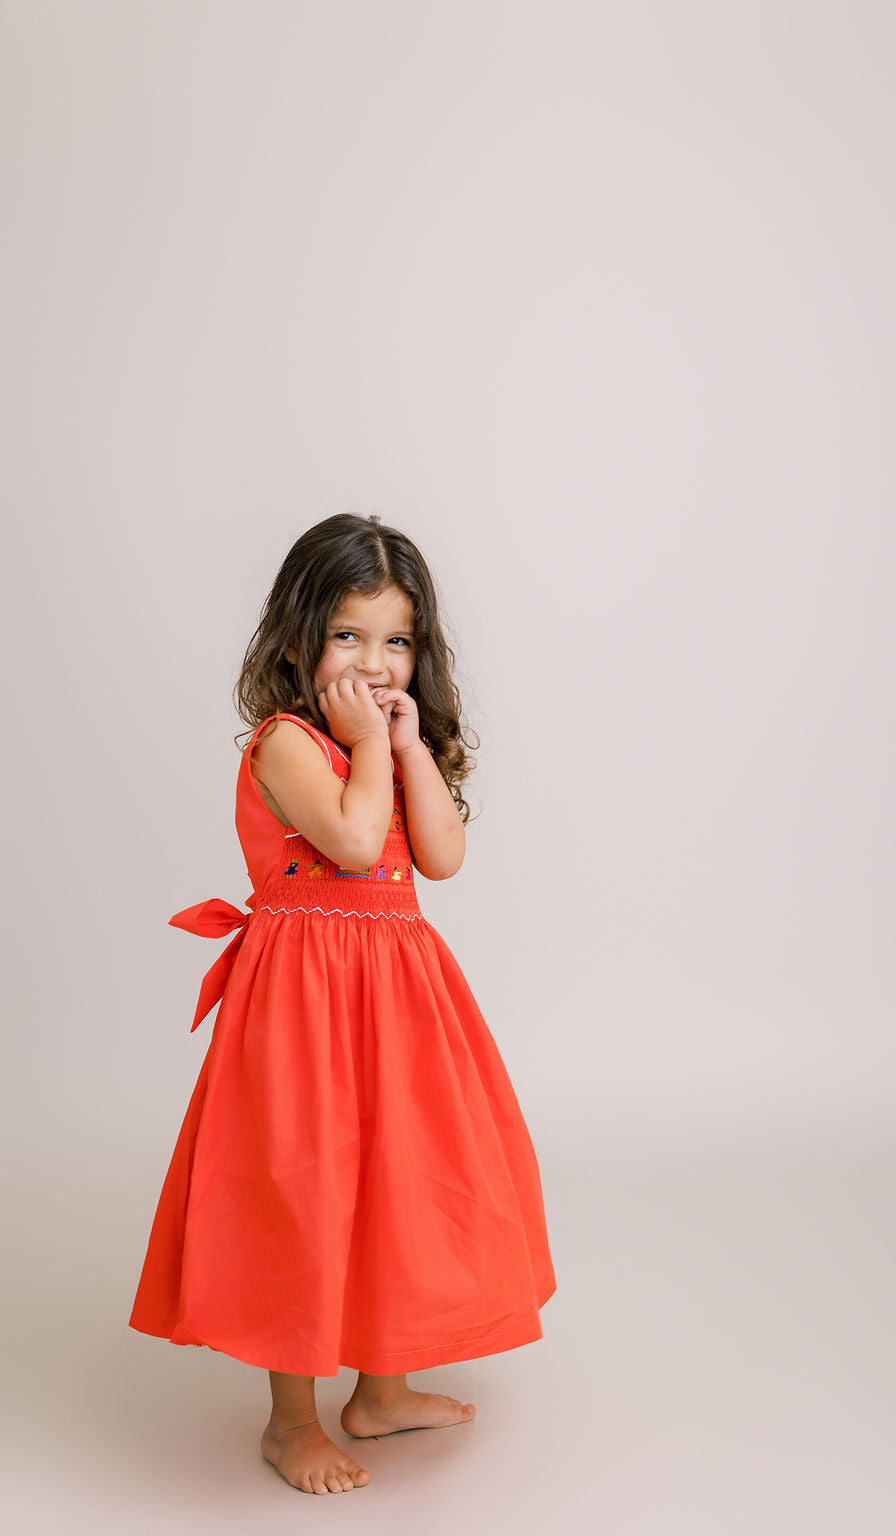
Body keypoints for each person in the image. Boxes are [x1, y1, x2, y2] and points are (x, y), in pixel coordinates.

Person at [129, 512, 557, 1495]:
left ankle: (383, 1388)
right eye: (349, 636)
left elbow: (438, 857)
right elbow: (358, 846)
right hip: (309, 1003)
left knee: (397, 1182)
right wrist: (366, 743)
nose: (374, 661)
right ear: (298, 640)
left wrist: (406, 747)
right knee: (306, 1187)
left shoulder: (389, 744)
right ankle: (290, 1423)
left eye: (396, 640)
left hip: (399, 1002)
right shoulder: (286, 743)